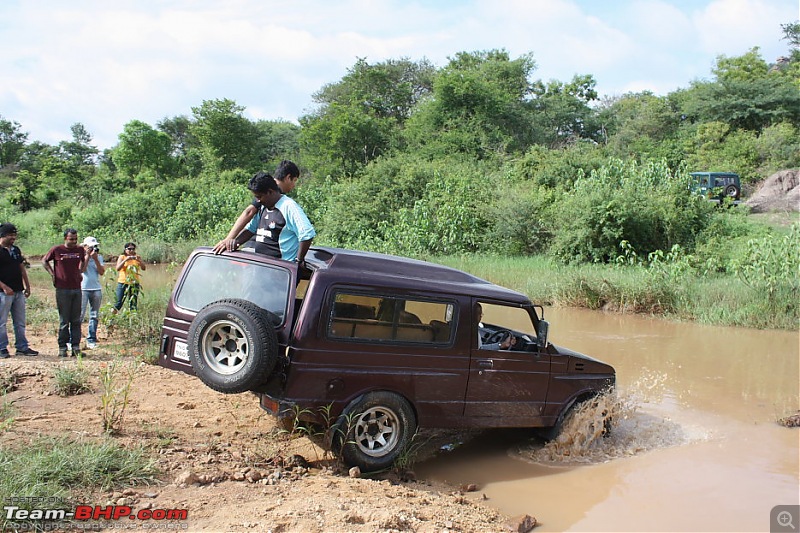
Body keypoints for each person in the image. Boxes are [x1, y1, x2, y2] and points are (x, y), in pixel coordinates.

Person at [213, 160, 302, 254]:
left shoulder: (279, 196)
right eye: (294, 180)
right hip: (256, 243)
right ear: (288, 177)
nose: (294, 185)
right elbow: (249, 212)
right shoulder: (269, 190)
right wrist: (229, 239)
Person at [229, 172, 316, 263]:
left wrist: (299, 260)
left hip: (281, 269)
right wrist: (235, 242)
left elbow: (307, 234)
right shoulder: (263, 207)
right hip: (262, 266)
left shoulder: (288, 207)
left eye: (259, 196)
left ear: (270, 192)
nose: (257, 200)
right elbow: (251, 229)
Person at [43, 229, 87, 357]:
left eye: (75, 239)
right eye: (71, 239)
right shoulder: (57, 250)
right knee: (64, 320)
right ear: (65, 238)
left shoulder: (80, 250)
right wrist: (53, 275)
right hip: (62, 289)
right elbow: (44, 261)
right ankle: (62, 348)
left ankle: (75, 347)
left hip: (77, 288)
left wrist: (79, 273)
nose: (73, 241)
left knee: (76, 319)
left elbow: (83, 263)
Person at [0, 223, 38, 358]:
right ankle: (2, 348)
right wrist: (4, 287)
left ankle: (22, 347)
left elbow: (22, 268)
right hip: (3, 293)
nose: (13, 238)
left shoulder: (16, 250)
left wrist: (27, 286)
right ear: (2, 235)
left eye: (14, 235)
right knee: (2, 321)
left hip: (18, 291)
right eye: (10, 235)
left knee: (20, 321)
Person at [80, 236, 105, 350]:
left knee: (94, 315)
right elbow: (82, 270)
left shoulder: (98, 257)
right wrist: (86, 257)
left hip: (96, 288)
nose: (93, 249)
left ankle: (91, 339)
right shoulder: (80, 257)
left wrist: (95, 259)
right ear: (84, 247)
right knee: (80, 315)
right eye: (90, 247)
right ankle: (75, 339)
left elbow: (101, 272)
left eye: (95, 247)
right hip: (83, 288)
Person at [114, 242, 146, 312]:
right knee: (118, 302)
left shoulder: (137, 257)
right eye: (129, 249)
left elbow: (144, 268)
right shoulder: (122, 257)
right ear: (125, 249)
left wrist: (139, 260)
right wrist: (126, 260)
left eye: (133, 249)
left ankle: (132, 318)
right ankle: (111, 318)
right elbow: (117, 268)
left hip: (134, 283)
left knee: (133, 303)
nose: (131, 251)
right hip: (123, 282)